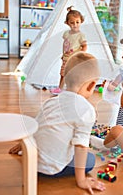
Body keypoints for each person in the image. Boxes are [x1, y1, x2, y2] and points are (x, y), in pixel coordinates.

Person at [9, 52, 105, 194]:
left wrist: (22, 145)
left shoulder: (50, 102)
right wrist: (81, 180)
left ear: (65, 78)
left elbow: (37, 126)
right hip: (51, 168)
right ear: (91, 86)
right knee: (90, 160)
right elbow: (81, 146)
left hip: (31, 161)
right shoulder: (86, 110)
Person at [51, 6, 87, 93]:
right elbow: (66, 46)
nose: (75, 25)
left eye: (77, 22)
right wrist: (63, 56)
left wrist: (80, 56)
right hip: (66, 58)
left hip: (74, 59)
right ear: (67, 23)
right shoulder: (66, 34)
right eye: (72, 22)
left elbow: (84, 46)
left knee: (74, 74)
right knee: (63, 73)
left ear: (81, 21)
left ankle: (75, 89)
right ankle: (60, 88)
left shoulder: (80, 35)